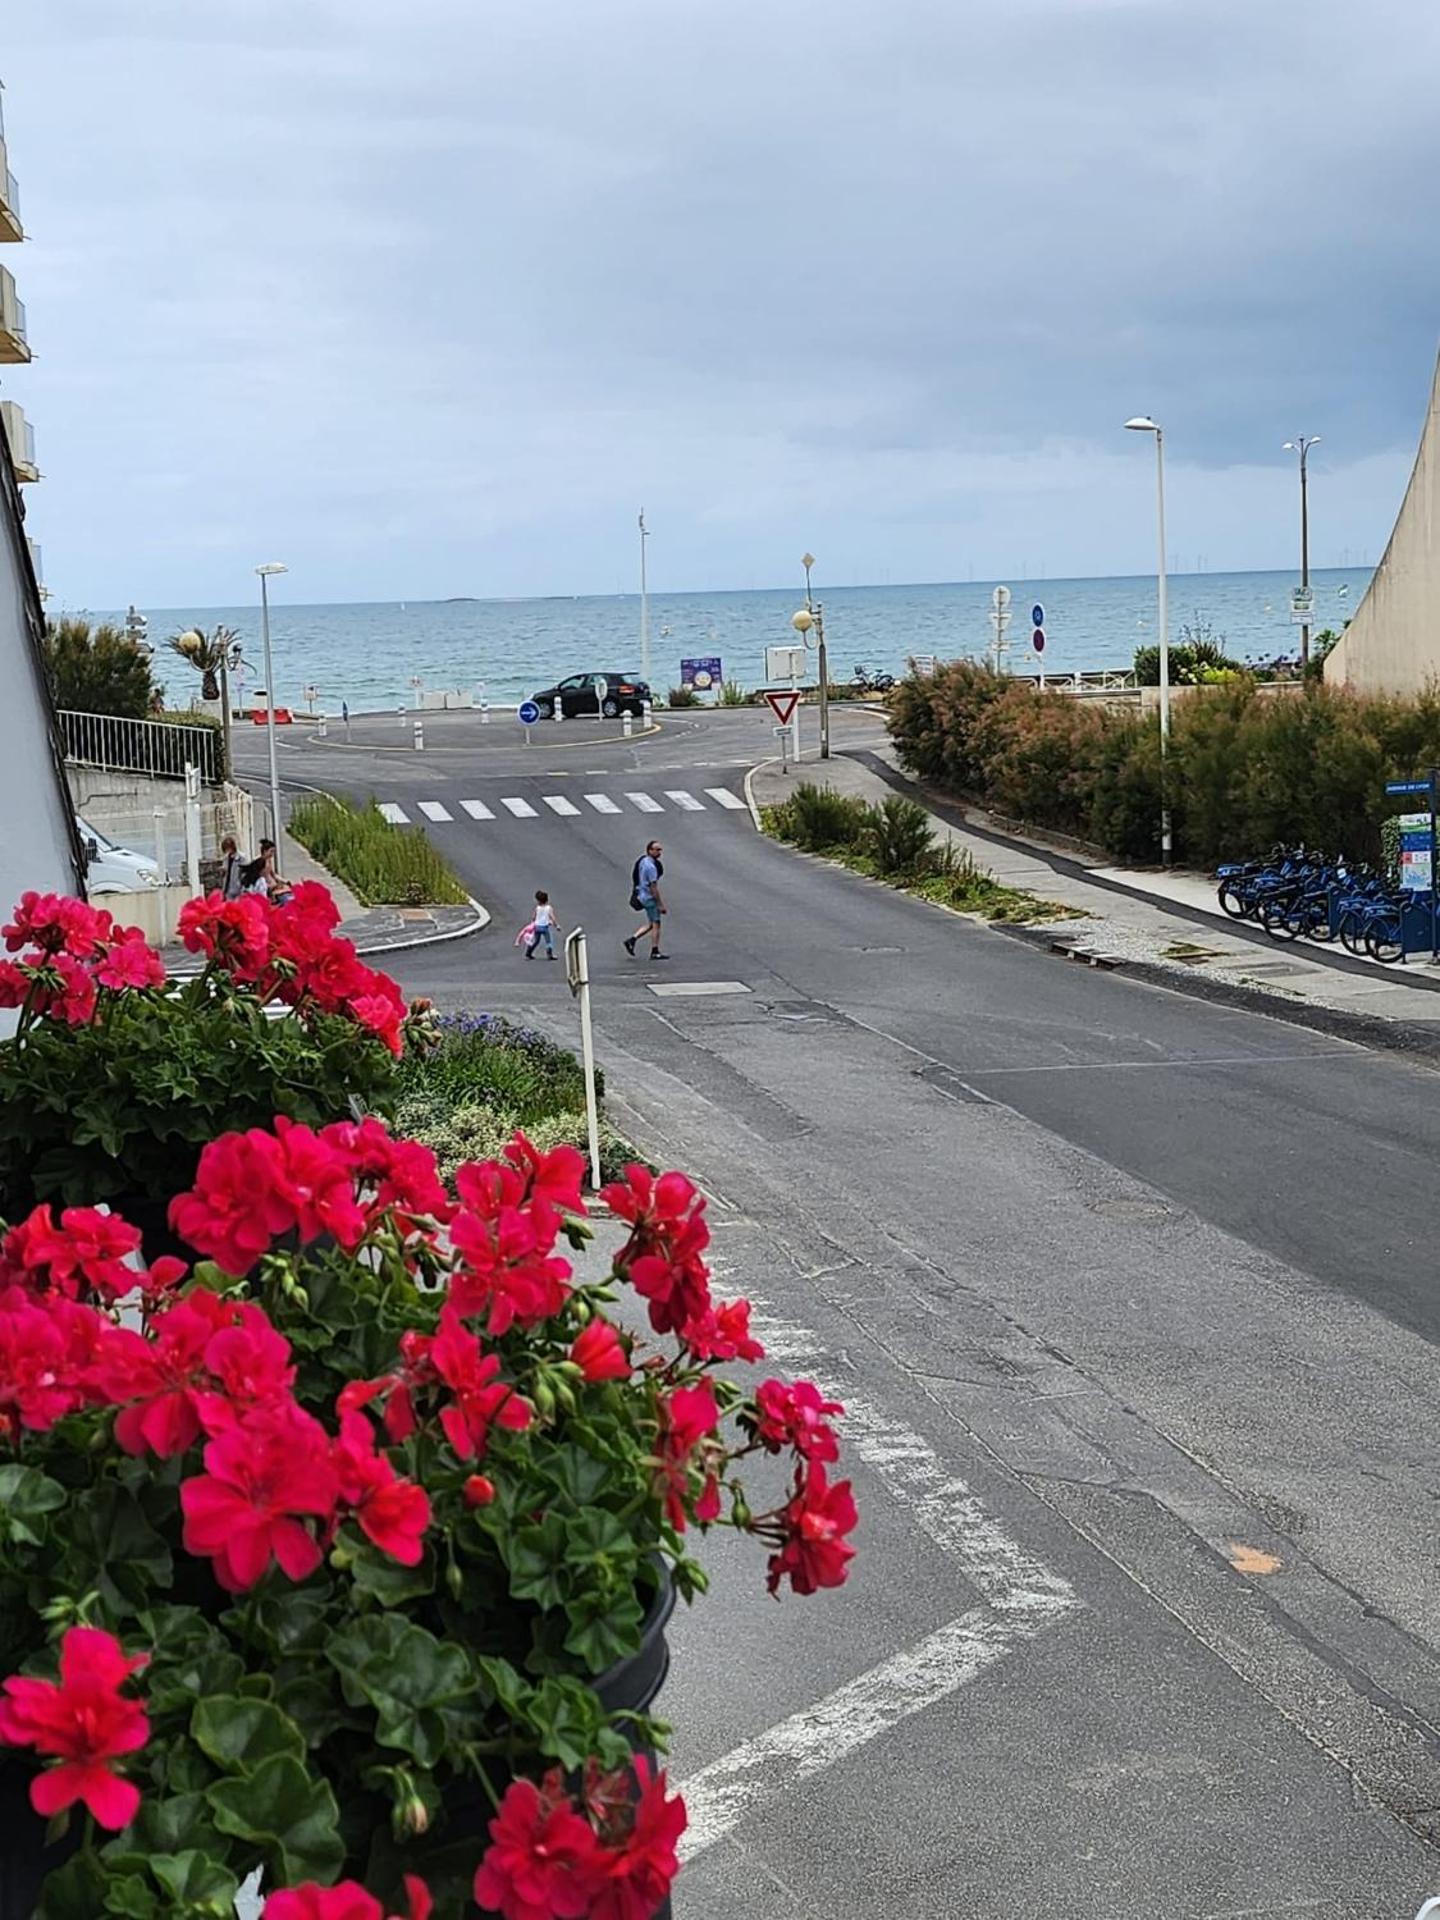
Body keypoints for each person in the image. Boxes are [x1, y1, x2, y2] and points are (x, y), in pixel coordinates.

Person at [623, 840, 666, 960]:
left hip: (641, 894)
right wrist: (660, 904)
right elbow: (653, 888)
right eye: (657, 850)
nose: (659, 852)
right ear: (650, 850)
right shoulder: (651, 867)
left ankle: (632, 940)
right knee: (656, 923)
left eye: (660, 850)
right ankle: (654, 950)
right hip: (648, 897)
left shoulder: (643, 861)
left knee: (652, 923)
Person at [526, 889, 559, 961]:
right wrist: (557, 925)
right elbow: (552, 917)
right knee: (548, 941)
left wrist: (532, 924)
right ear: (547, 900)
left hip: (537, 927)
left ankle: (529, 952)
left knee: (536, 941)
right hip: (544, 927)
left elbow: (533, 917)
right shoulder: (549, 908)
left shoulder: (537, 908)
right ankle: (549, 954)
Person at [219, 835, 244, 901]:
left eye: (228, 848)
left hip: (238, 889)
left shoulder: (241, 858)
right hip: (228, 888)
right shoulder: (226, 859)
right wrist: (223, 872)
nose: (227, 851)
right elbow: (224, 874)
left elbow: (244, 873)